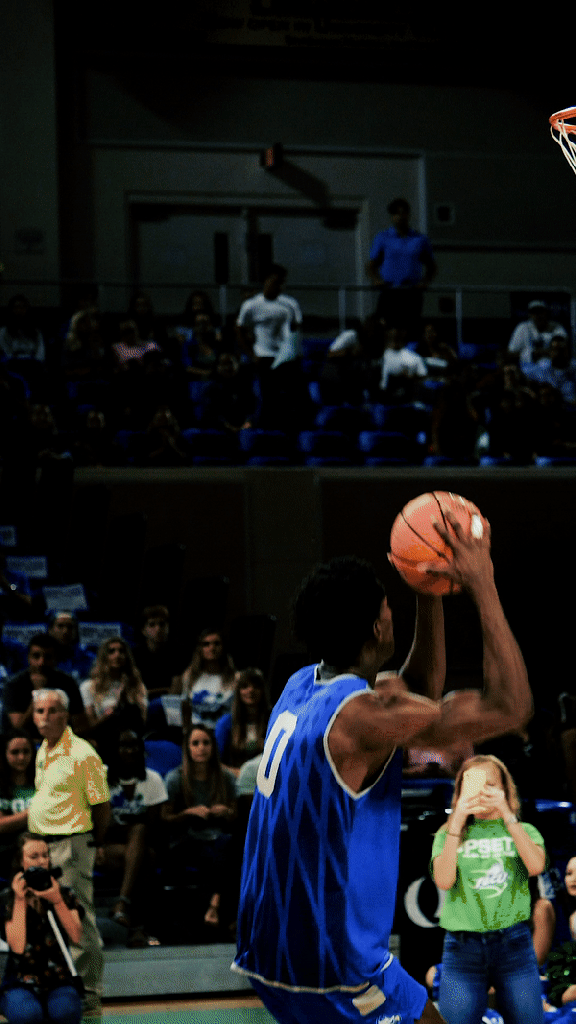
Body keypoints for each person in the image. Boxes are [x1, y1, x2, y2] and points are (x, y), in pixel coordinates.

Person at [233, 508, 534, 1024]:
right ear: (377, 625)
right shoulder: (361, 719)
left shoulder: (302, 686)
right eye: (389, 607)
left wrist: (427, 591)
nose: (392, 614)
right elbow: (511, 706)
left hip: (268, 950)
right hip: (334, 965)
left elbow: (417, 693)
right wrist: (482, 582)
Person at [432, 754, 546, 1024]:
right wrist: (457, 820)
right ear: (460, 792)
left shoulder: (524, 830)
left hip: (514, 946)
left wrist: (507, 813)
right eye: (473, 786)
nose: (481, 793)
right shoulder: (447, 834)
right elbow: (443, 881)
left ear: (504, 789)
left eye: (490, 785)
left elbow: (536, 866)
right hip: (462, 950)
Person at [27, 689, 110, 1019]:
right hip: (43, 848)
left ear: (66, 715)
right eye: (39, 711)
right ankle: (59, 989)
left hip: (72, 845)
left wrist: (94, 844)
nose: (45, 717)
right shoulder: (43, 750)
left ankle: (90, 995)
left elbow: (101, 805)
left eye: (52, 710)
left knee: (79, 920)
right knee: (50, 921)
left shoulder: (82, 753)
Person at [0, 832, 84, 1024]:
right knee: (27, 1015)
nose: (41, 861)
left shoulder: (65, 894)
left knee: (66, 1013)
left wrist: (57, 901)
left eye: (45, 856)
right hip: (20, 981)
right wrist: (20, 900)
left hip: (59, 979)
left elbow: (76, 936)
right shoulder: (7, 898)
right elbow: (17, 947)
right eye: (34, 856)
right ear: (20, 861)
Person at [161, 723, 237, 931]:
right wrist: (187, 814)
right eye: (195, 743)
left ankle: (215, 905)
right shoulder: (175, 778)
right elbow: (165, 819)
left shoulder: (226, 777)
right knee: (215, 854)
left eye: (206, 743)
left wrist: (226, 812)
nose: (201, 748)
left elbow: (236, 817)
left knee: (228, 845)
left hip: (219, 837)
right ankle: (216, 908)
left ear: (213, 747)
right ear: (187, 748)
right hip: (187, 839)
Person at [98, 729, 166, 947]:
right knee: (144, 854)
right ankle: (137, 927)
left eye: (135, 745)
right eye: (124, 745)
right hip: (106, 849)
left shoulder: (153, 779)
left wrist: (125, 829)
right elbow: (100, 827)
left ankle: (124, 908)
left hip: (136, 847)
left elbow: (153, 828)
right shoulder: (100, 777)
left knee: (141, 835)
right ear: (114, 750)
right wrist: (129, 829)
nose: (131, 750)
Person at [366, 198, 437, 338]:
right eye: (396, 213)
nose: (400, 216)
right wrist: (376, 280)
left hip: (411, 292)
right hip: (390, 291)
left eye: (403, 213)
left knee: (410, 328)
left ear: (408, 214)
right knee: (386, 327)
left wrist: (425, 282)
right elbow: (371, 265)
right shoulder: (383, 238)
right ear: (392, 216)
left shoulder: (419, 239)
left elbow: (431, 266)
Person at [2, 634, 87, 740]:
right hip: (27, 743)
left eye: (48, 657)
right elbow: (19, 728)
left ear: (56, 658)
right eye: (36, 656)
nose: (41, 662)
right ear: (28, 657)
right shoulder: (14, 685)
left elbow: (80, 725)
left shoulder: (67, 683)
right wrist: (39, 693)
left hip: (61, 741)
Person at [80, 636, 148, 761]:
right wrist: (110, 713)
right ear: (104, 656)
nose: (117, 655)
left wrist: (125, 700)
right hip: (104, 735)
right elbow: (91, 726)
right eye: (111, 651)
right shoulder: (88, 687)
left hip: (133, 736)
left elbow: (143, 722)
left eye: (121, 651)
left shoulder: (137, 686)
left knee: (131, 710)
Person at [171, 629, 236, 730]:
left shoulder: (236, 678)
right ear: (200, 649)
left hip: (221, 731)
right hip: (194, 731)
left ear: (224, 647)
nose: (212, 648)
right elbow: (183, 708)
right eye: (206, 644)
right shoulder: (190, 675)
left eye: (216, 644)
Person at [214, 667, 270, 775]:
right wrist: (240, 773)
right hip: (233, 778)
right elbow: (215, 762)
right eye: (245, 687)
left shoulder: (272, 721)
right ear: (238, 692)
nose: (251, 690)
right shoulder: (225, 723)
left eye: (256, 686)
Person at [0, 731, 36, 881]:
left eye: (26, 751)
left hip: (41, 849)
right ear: (4, 754)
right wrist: (33, 812)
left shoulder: (42, 782)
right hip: (6, 853)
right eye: (15, 752)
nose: (21, 757)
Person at [508, 301, 568, 366]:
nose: (538, 315)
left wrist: (539, 352)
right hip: (527, 367)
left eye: (540, 311)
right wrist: (533, 354)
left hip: (552, 367)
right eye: (534, 312)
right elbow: (511, 352)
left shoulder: (557, 327)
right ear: (529, 314)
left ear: (546, 313)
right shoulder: (522, 327)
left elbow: (561, 350)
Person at [48, 613, 93, 683]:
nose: (65, 631)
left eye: (70, 627)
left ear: (76, 631)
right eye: (60, 626)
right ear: (50, 630)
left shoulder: (88, 659)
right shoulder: (42, 658)